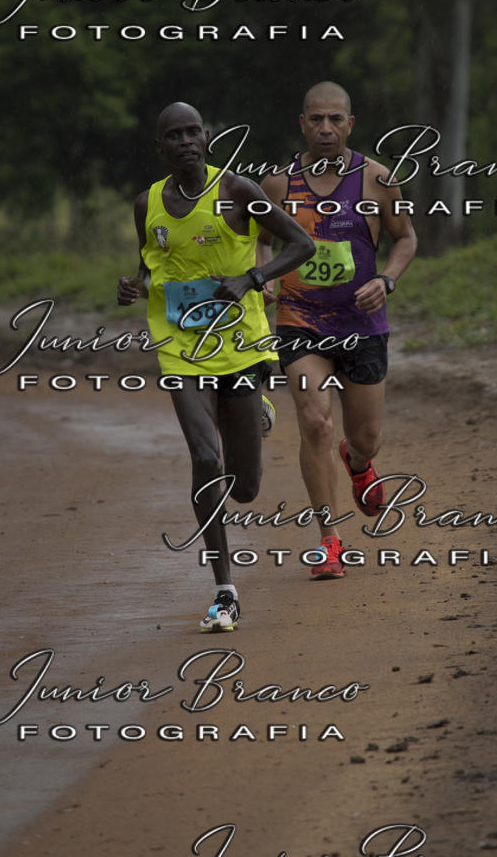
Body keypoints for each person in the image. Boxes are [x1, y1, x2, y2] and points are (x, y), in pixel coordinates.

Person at [118, 102, 315, 629]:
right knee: (206, 458)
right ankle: (224, 589)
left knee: (244, 486)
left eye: (192, 132)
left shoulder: (238, 192)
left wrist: (254, 278)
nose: (185, 141)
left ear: (206, 137)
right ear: (160, 147)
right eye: (173, 135)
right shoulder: (147, 203)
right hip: (180, 345)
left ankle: (256, 409)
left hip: (243, 346)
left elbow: (300, 244)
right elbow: (150, 256)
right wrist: (134, 283)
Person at [258, 82, 417, 579]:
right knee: (315, 421)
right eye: (316, 119)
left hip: (362, 323)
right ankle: (329, 539)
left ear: (350, 123)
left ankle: (359, 461)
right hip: (301, 321)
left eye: (335, 119)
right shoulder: (278, 185)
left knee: (365, 435)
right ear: (302, 124)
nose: (325, 128)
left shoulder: (377, 179)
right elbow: (260, 241)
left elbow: (406, 237)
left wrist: (386, 279)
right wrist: (263, 276)